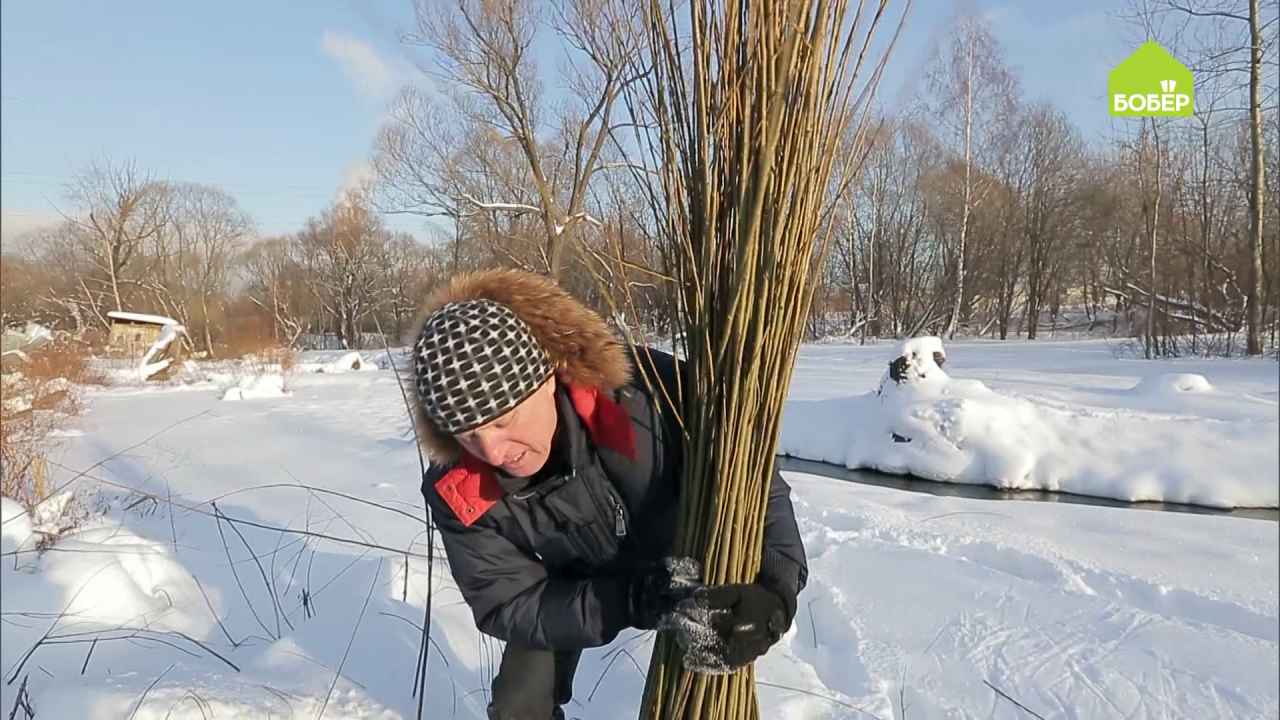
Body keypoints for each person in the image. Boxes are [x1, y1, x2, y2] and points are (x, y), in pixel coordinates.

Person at [410, 269, 808, 720]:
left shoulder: (650, 395)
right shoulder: (459, 487)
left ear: (545, 378)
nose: (494, 452)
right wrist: (629, 600)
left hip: (694, 550)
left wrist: (775, 596)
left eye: (503, 421)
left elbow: (757, 485)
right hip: (574, 581)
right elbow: (511, 602)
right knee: (518, 704)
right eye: (467, 435)